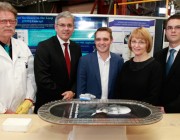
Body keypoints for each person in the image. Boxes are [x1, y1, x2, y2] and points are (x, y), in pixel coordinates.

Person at [34, 11, 82, 113]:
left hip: (70, 104)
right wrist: (64, 94)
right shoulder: (44, 47)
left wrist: (73, 91)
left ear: (73, 28)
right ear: (56, 27)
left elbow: (78, 74)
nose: (66, 28)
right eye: (62, 25)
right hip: (48, 104)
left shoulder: (76, 48)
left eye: (69, 25)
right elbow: (42, 79)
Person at [0, 2, 36, 114]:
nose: (8, 24)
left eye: (12, 21)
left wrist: (29, 98)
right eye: (3, 21)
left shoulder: (22, 46)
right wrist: (3, 110)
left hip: (23, 110)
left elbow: (31, 75)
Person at [115, 27, 162, 105]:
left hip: (144, 114)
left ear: (148, 44)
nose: (136, 45)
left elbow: (154, 97)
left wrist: (135, 110)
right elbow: (118, 91)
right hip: (124, 111)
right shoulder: (126, 65)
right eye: (134, 41)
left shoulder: (155, 67)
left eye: (141, 42)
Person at [77, 27, 124, 99]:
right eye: (98, 39)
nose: (102, 43)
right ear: (95, 41)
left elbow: (120, 89)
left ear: (111, 40)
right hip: (90, 108)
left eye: (105, 39)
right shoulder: (84, 60)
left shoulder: (119, 61)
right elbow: (81, 89)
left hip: (112, 107)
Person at [154, 14, 180, 113]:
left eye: (177, 27)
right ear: (165, 31)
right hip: (157, 111)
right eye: (169, 28)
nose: (173, 31)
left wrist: (168, 109)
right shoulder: (158, 55)